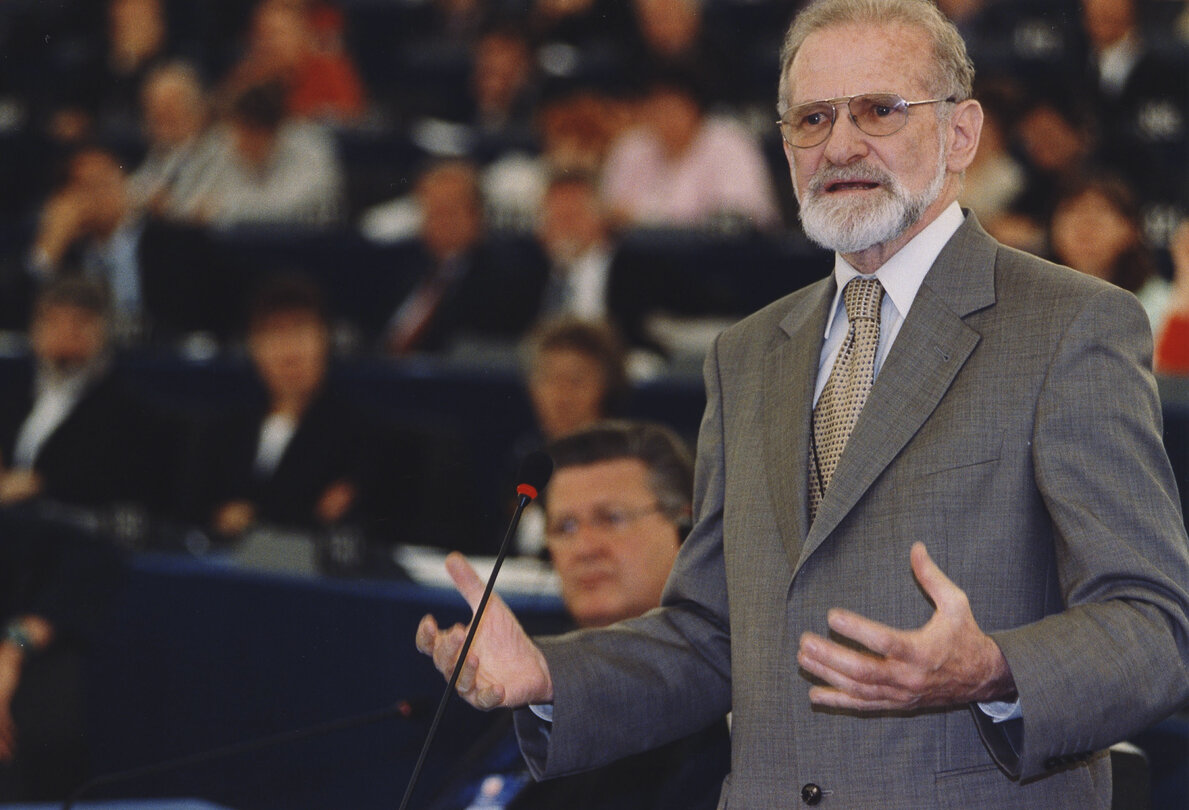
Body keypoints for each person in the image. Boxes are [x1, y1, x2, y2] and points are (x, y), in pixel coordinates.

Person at [416, 1, 1189, 807]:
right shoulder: (745, 357)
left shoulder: (1069, 325)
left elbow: (1152, 628)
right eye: (812, 118)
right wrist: (549, 674)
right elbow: (712, 636)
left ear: (960, 134)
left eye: (878, 111)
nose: (841, 144)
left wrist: (991, 669)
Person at [425, 421, 729, 810]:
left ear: (685, 527)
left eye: (611, 518)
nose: (584, 548)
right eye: (565, 526)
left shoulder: (703, 705)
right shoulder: (533, 674)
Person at [0, 278, 174, 518]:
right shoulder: (12, 399)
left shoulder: (128, 412)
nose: (66, 334)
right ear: (34, 332)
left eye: (80, 323)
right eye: (54, 322)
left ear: (104, 332)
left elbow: (121, 482)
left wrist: (40, 485)